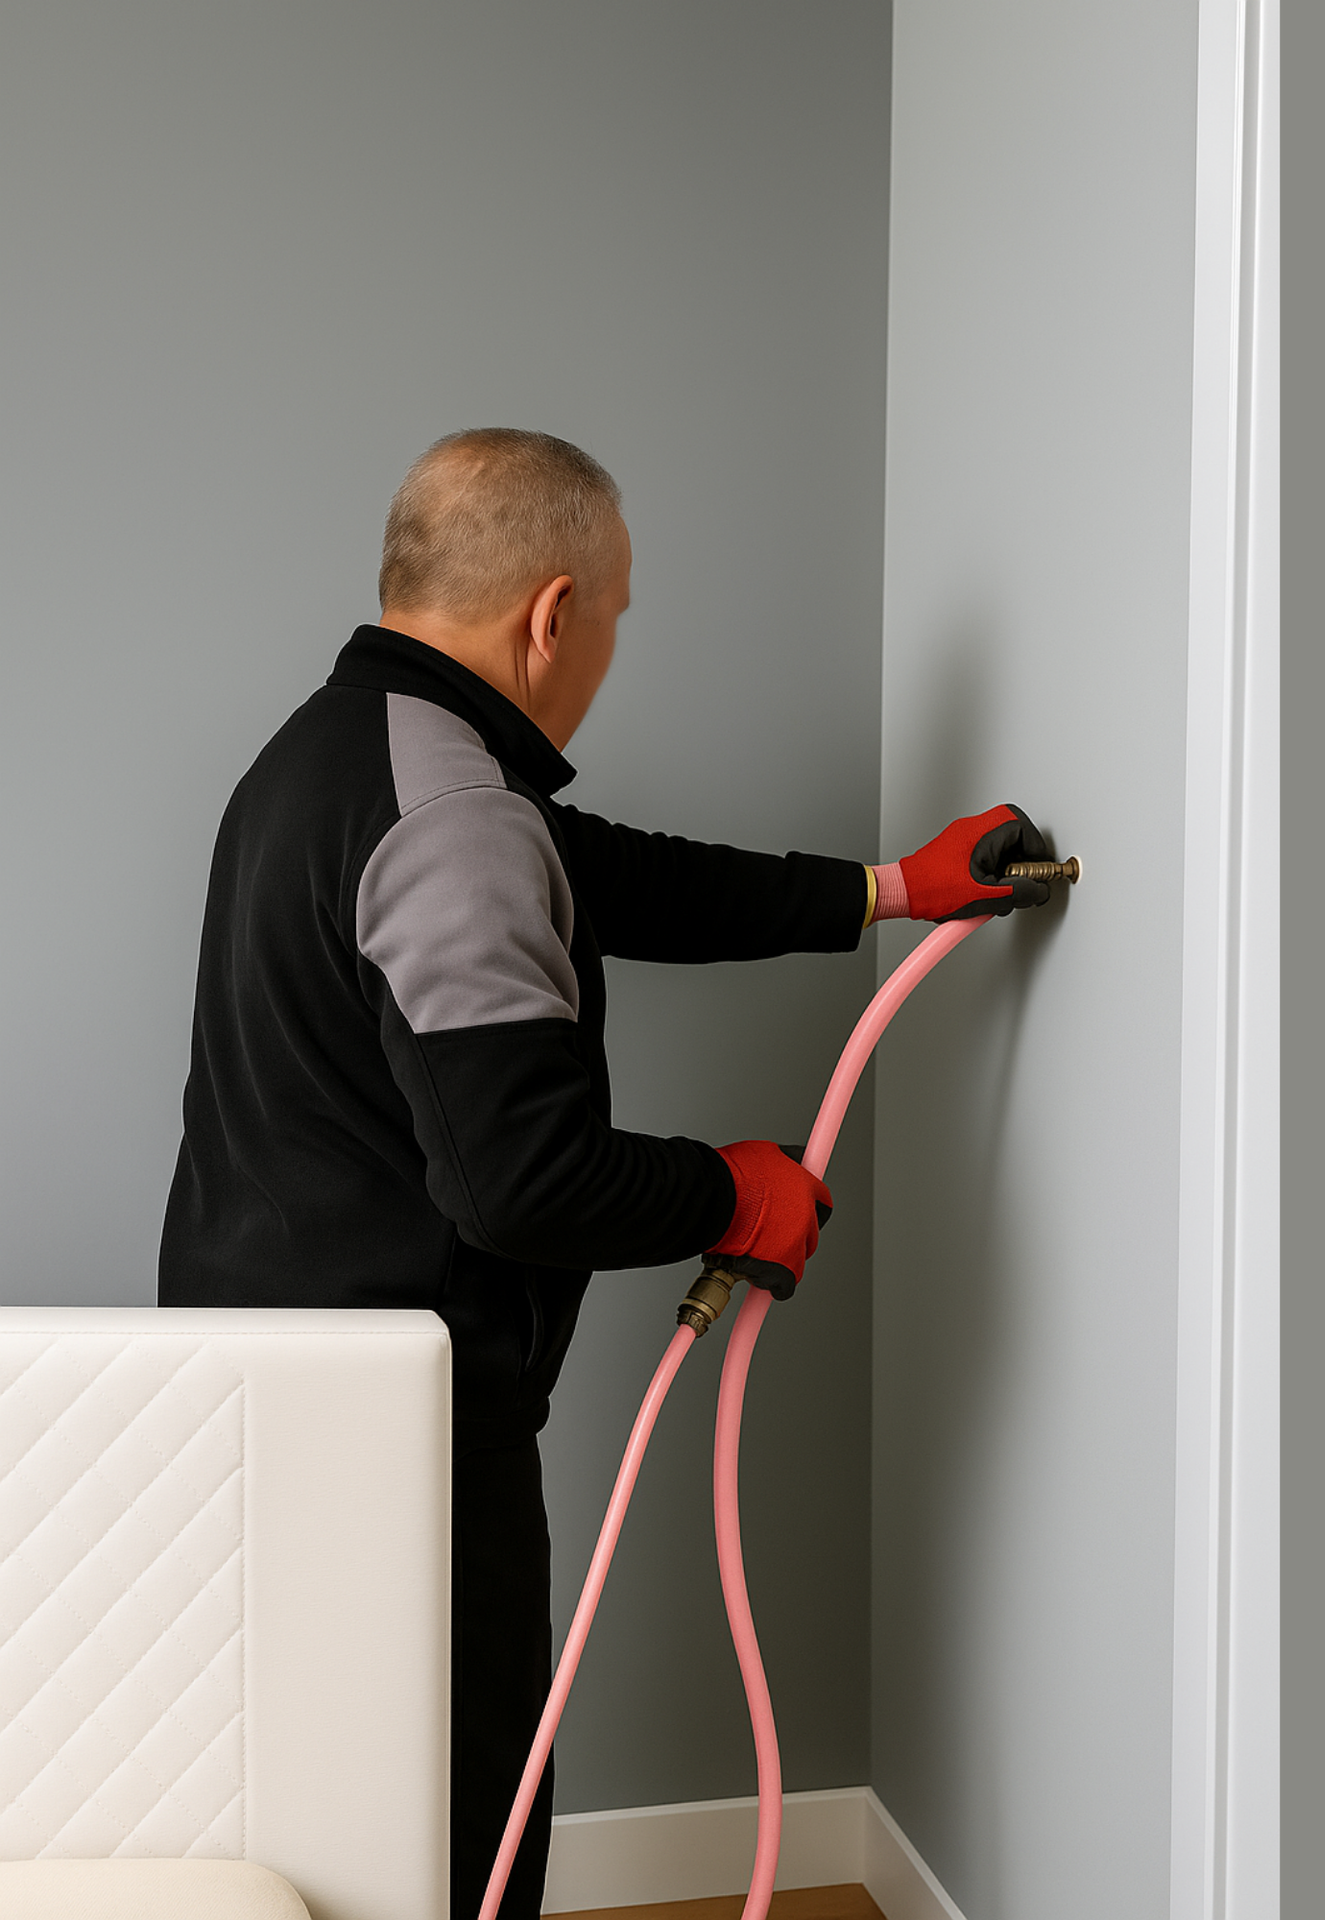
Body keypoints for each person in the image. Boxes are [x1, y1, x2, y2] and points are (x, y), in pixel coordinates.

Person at [158, 428, 1051, 1918]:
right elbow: (525, 1182)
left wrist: (889, 890)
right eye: (618, 614)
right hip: (400, 1436)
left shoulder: (338, 756)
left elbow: (604, 875)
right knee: (464, 1832)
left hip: (267, 1381)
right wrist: (729, 1190)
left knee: (331, 1813)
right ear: (553, 612)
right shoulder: (452, 817)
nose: (610, 648)